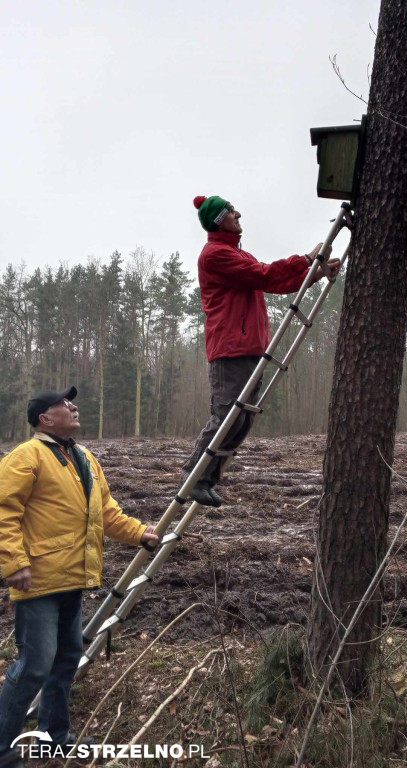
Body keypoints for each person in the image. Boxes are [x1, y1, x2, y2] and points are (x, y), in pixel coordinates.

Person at [0, 387, 159, 768]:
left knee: (66, 660)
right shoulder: (26, 457)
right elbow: (4, 512)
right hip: (37, 581)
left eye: (72, 403)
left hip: (74, 579)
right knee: (35, 666)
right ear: (44, 418)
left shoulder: (85, 458)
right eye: (63, 404)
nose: (73, 408)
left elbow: (106, 513)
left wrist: (139, 533)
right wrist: (13, 562)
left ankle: (54, 740)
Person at [181, 195, 341, 507]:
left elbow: (275, 283)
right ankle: (193, 477)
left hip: (251, 348)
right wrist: (307, 259)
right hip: (231, 350)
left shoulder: (238, 255)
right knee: (227, 416)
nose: (238, 214)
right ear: (218, 221)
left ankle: (207, 479)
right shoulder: (216, 256)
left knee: (242, 420)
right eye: (230, 212)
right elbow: (266, 274)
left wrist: (317, 272)